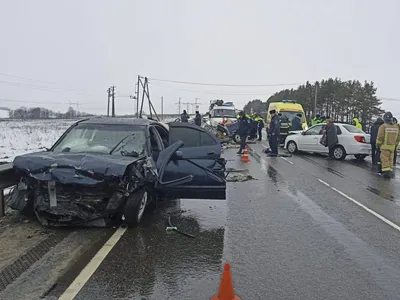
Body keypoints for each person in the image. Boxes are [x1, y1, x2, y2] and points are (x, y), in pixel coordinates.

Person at [376, 112, 400, 178]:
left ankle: (386, 174)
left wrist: (378, 144)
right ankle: (389, 172)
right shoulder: (396, 127)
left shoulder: (383, 126)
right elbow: (398, 138)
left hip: (384, 147)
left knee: (385, 160)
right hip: (392, 147)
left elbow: (380, 137)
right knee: (390, 160)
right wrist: (396, 146)